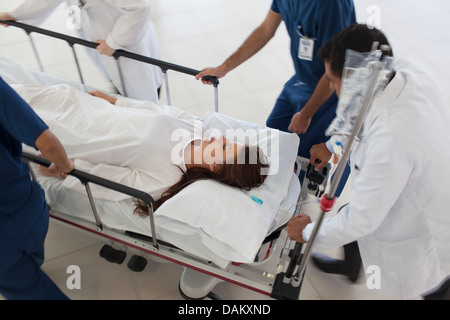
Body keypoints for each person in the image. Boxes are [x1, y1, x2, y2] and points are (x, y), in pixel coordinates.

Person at [287, 24, 450, 299]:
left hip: (423, 226)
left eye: (334, 81)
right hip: (425, 174)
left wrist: (307, 232)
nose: (332, 88)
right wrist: (331, 145)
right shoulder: (400, 71)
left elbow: (363, 219)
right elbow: (360, 110)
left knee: (433, 284)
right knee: (349, 213)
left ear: (354, 81)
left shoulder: (391, 139)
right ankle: (352, 265)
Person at [10, 84, 269, 216]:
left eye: (223, 146)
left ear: (214, 167)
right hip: (79, 104)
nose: (218, 138)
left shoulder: (167, 177)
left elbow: (110, 181)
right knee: (12, 94)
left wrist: (61, 169)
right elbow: (152, 110)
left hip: (66, 135)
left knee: (10, 115)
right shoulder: (191, 126)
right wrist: (113, 99)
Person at [195, 0, 356, 196]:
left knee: (305, 155)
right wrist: (224, 68)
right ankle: (271, 190)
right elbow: (265, 29)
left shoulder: (330, 6)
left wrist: (306, 113)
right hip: (302, 79)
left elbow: (337, 67)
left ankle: (293, 202)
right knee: (274, 136)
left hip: (331, 88)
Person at [0, 0, 163, 102]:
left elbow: (138, 7)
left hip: (127, 41)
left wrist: (115, 41)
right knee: (123, 86)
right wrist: (15, 14)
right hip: (103, 37)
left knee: (143, 94)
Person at [0, 77, 74, 300]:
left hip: (4, 244)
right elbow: (47, 143)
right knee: (25, 260)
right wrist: (64, 165)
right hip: (30, 206)